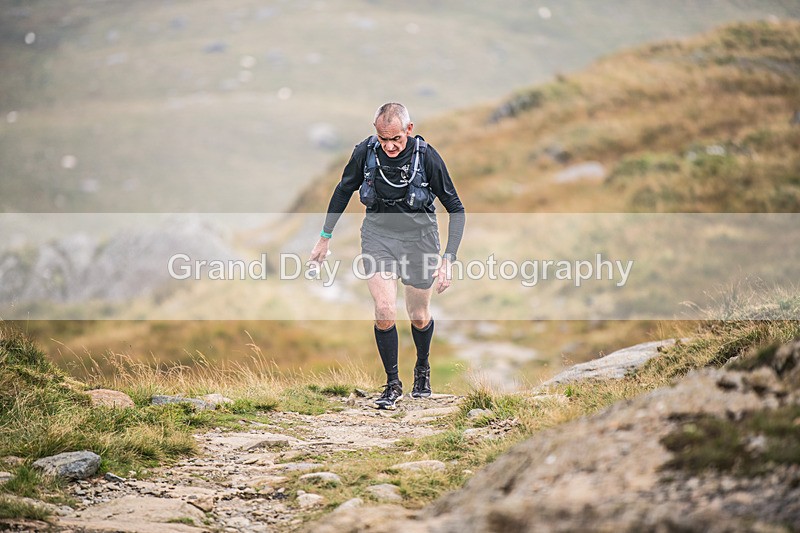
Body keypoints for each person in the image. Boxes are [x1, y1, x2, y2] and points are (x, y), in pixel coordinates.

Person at [309, 102, 465, 409]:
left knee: (418, 316)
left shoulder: (427, 157)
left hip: (421, 239)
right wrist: (324, 238)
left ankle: (422, 369)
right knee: (384, 309)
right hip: (378, 236)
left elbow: (456, 208)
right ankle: (392, 384)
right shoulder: (365, 153)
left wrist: (448, 259)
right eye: (383, 139)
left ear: (409, 129)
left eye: (396, 139)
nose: (390, 146)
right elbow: (343, 190)